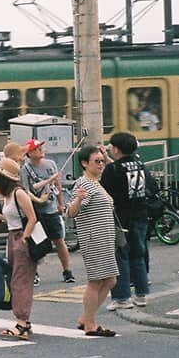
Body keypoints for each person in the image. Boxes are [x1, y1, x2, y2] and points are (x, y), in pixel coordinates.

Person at [66, 144, 120, 337]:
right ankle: (90, 323)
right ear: (84, 163)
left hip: (104, 238)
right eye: (96, 161)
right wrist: (78, 200)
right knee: (96, 281)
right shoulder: (85, 184)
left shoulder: (96, 182)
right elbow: (71, 212)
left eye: (102, 161)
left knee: (110, 280)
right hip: (94, 238)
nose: (101, 164)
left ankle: (86, 318)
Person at [102, 132, 151, 309]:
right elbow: (152, 186)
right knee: (138, 254)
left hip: (120, 218)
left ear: (116, 148)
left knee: (120, 257)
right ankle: (141, 294)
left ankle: (122, 297)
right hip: (140, 215)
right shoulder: (141, 165)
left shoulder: (112, 169)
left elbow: (104, 193)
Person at [0, 158, 38, 341]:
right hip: (13, 236)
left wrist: (24, 239)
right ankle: (23, 321)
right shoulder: (9, 195)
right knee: (15, 278)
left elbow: (32, 218)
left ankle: (22, 322)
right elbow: (13, 218)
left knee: (21, 281)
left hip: (22, 237)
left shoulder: (19, 193)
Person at [21, 139, 75, 283]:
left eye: (41, 148)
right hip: (35, 212)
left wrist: (61, 203)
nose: (41, 150)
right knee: (35, 243)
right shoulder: (25, 169)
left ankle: (67, 270)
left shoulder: (50, 164)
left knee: (59, 240)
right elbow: (26, 191)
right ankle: (35, 273)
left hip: (51, 210)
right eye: (37, 149)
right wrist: (39, 200)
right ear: (30, 153)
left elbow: (57, 185)